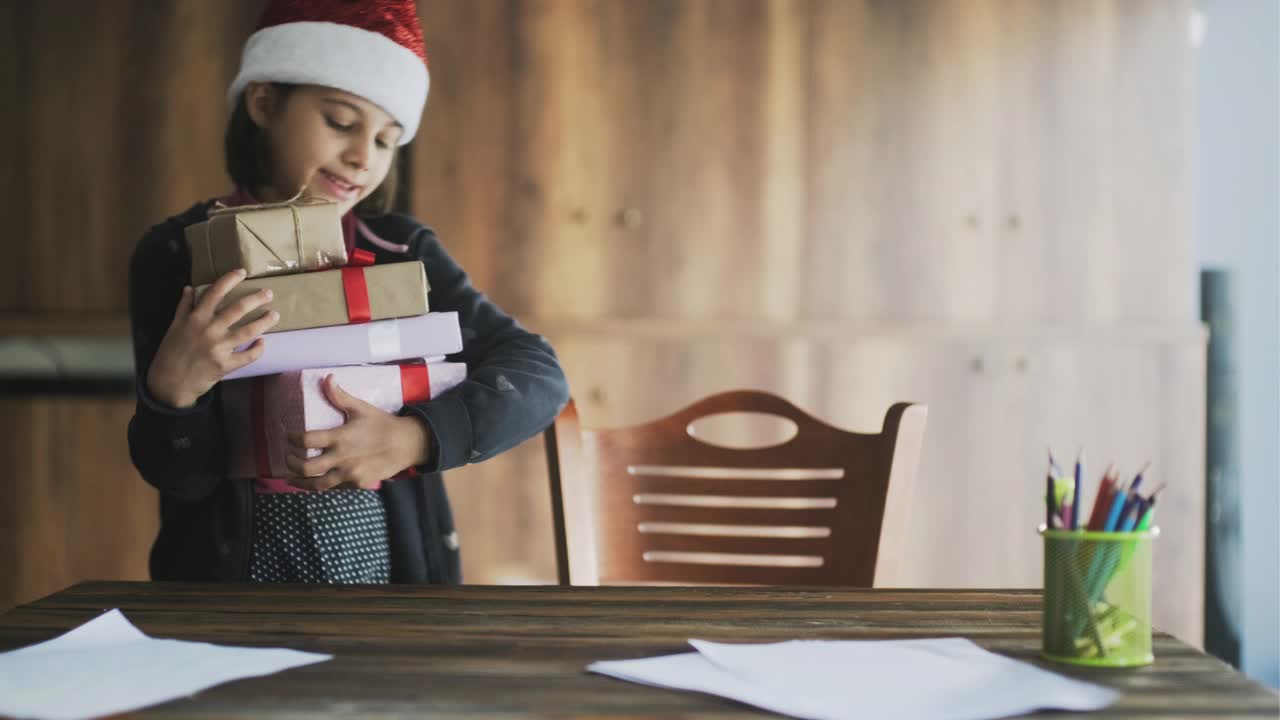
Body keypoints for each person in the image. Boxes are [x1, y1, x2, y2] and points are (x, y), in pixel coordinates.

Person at [127, 0, 568, 585]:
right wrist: (173, 394)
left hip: (392, 572)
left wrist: (413, 437)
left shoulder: (400, 250)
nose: (364, 157)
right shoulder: (174, 257)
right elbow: (180, 476)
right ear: (263, 103)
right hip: (227, 584)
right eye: (340, 121)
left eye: (387, 140)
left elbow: (540, 376)